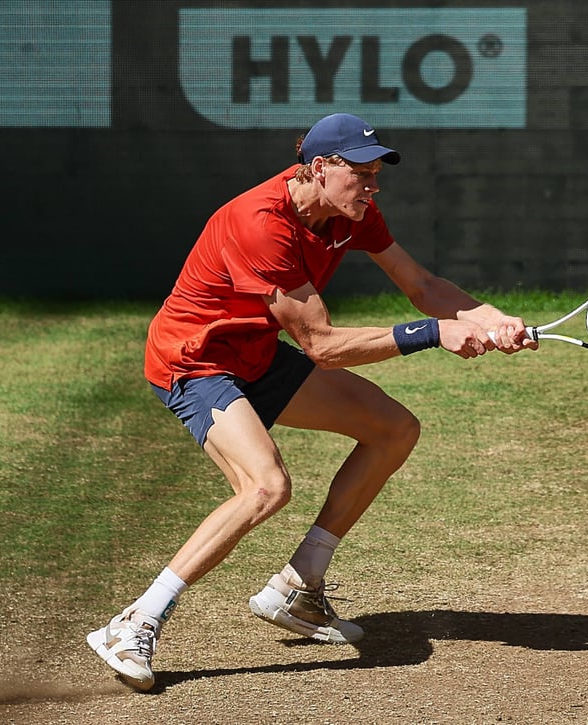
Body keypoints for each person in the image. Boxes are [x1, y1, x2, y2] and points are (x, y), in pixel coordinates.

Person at [86, 112, 536, 691]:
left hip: (255, 355)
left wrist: (493, 320)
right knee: (265, 487)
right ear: (320, 168)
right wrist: (432, 333)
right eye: (361, 173)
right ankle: (135, 621)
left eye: (376, 174)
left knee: (393, 429)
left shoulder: (353, 212)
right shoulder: (260, 224)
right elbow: (322, 345)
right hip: (195, 361)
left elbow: (422, 286)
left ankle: (298, 588)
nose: (372, 186)